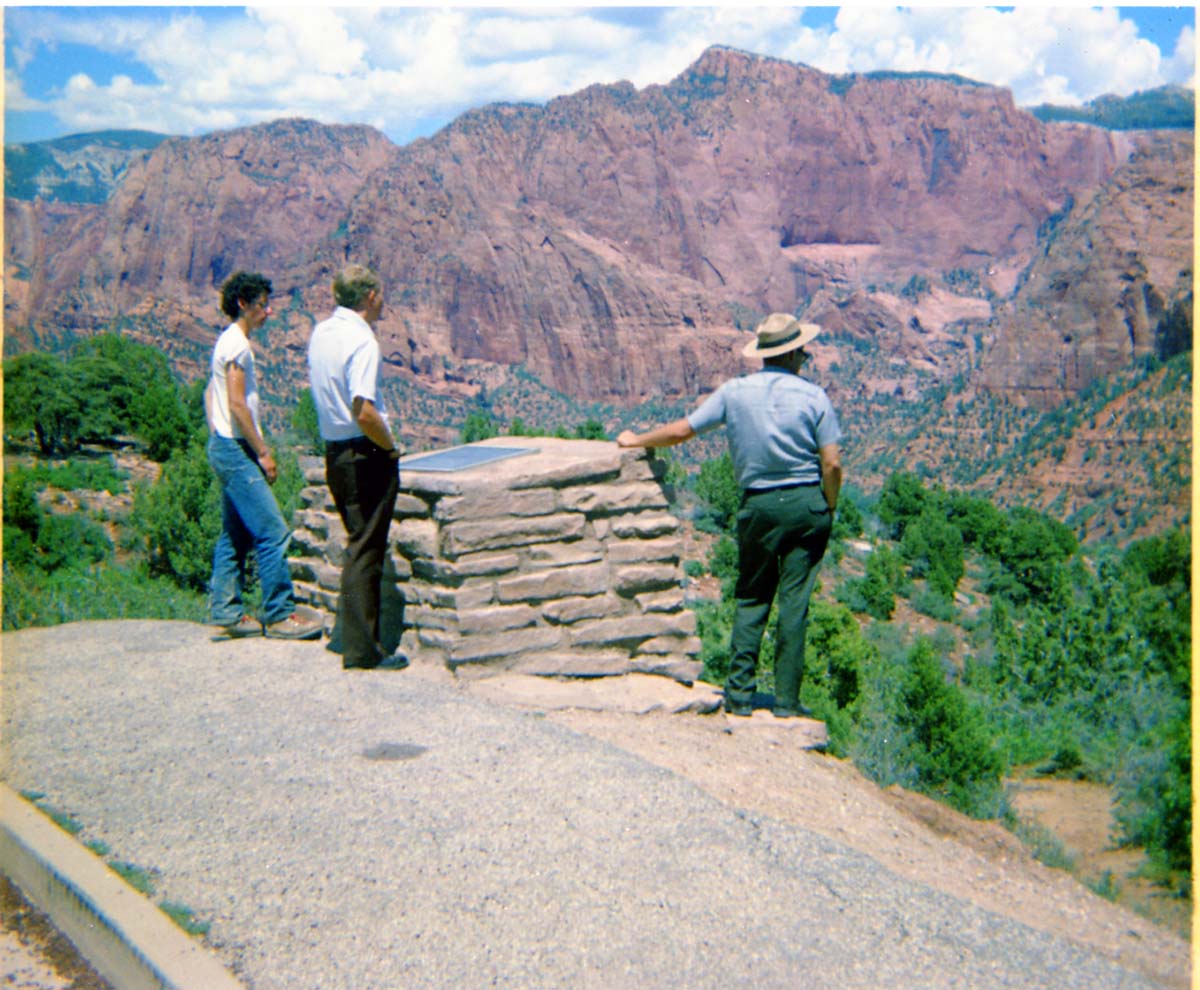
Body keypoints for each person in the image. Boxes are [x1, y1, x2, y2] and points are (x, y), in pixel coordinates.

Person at [617, 313, 842, 718]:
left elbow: (683, 431)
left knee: (752, 596)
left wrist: (637, 439)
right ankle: (787, 704)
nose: (805, 358)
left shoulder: (734, 392)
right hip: (806, 505)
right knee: (795, 605)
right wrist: (829, 505)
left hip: (757, 505)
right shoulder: (815, 397)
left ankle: (738, 698)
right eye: (803, 352)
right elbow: (832, 465)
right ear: (792, 354)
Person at [206, 271, 323, 640]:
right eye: (262, 305)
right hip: (236, 449)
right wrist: (263, 452)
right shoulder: (238, 346)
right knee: (273, 530)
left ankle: (227, 611)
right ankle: (278, 614)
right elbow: (237, 404)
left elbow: (213, 397)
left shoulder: (225, 341)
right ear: (243, 304)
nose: (269, 312)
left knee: (234, 534)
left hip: (222, 445)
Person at [307, 264, 406, 670]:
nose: (383, 302)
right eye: (380, 294)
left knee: (355, 546)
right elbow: (363, 410)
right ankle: (364, 651)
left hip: (333, 452)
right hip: (365, 454)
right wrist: (392, 448)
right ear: (368, 296)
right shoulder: (362, 340)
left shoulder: (322, 332)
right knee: (366, 551)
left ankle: (349, 637)